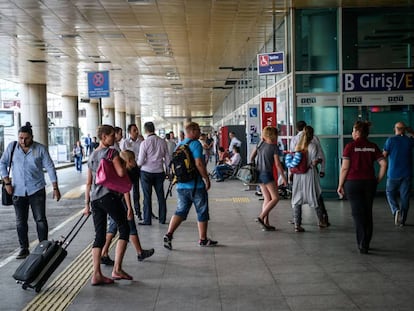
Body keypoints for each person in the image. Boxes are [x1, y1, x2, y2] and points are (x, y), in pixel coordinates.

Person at [0, 122, 61, 259]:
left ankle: (43, 247)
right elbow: (2, 163)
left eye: (26, 138)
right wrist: (7, 181)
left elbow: (50, 167)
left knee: (40, 219)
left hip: (36, 189)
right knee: (20, 221)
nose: (23, 141)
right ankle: (24, 248)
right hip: (17, 191)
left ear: (31, 137)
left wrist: (55, 187)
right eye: (21, 138)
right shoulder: (12, 147)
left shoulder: (40, 149)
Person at [83, 124, 132, 285]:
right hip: (109, 196)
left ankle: (96, 274)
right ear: (104, 137)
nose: (114, 138)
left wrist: (86, 205)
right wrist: (125, 164)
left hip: (95, 199)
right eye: (111, 135)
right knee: (124, 227)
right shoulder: (112, 153)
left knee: (99, 236)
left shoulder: (91, 156)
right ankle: (117, 269)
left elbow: (89, 183)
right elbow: (121, 173)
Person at [163, 122, 217, 249]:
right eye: (198, 130)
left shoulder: (179, 145)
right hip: (196, 186)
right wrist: (206, 179)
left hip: (181, 186)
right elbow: (199, 163)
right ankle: (203, 239)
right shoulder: (195, 144)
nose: (199, 132)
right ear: (192, 131)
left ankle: (169, 234)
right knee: (202, 211)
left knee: (180, 211)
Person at [337, 121, 387, 254]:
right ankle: (366, 242)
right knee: (367, 212)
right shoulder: (372, 146)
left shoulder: (350, 146)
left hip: (353, 183)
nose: (352, 133)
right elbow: (384, 164)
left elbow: (345, 168)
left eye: (354, 130)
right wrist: (378, 179)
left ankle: (361, 243)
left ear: (358, 132)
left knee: (357, 213)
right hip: (369, 183)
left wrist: (340, 184)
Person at [101, 150, 154, 265]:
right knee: (129, 227)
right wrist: (130, 208)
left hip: (113, 201)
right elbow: (125, 191)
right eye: (134, 159)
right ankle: (139, 253)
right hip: (120, 203)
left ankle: (104, 253)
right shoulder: (126, 172)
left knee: (114, 227)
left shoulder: (121, 170)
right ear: (129, 161)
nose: (135, 161)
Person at [290, 120, 329, 227]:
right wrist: (320, 167)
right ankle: (321, 220)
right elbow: (316, 159)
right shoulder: (313, 145)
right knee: (315, 196)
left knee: (297, 197)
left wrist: (291, 173)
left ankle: (297, 224)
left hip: (298, 174)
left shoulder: (296, 144)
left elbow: (293, 160)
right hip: (310, 174)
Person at [250, 126, 287, 231]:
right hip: (267, 174)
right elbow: (278, 165)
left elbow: (252, 157)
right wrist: (284, 178)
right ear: (273, 135)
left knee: (267, 198)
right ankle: (261, 217)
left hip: (259, 174)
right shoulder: (274, 147)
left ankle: (266, 223)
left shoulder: (259, 144)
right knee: (275, 198)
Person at [137, 122, 170, 225]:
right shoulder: (163, 141)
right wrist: (168, 171)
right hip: (159, 172)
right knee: (161, 196)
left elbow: (141, 161)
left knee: (147, 196)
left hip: (146, 172)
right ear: (154, 129)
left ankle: (147, 220)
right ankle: (162, 218)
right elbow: (168, 158)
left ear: (145, 130)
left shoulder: (144, 143)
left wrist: (137, 165)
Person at [383, 122, 414, 226]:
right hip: (407, 174)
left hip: (393, 174)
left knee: (389, 193)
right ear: (404, 130)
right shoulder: (409, 141)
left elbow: (384, 155)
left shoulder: (390, 140)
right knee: (405, 198)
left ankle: (395, 209)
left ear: (395, 129)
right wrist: (412, 132)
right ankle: (403, 220)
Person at [120, 123, 143, 219]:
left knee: (136, 190)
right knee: (126, 190)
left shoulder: (141, 141)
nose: (136, 131)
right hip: (128, 168)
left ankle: (138, 211)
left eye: (137, 129)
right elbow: (122, 155)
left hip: (138, 167)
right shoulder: (125, 142)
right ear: (129, 132)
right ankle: (127, 210)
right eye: (134, 130)